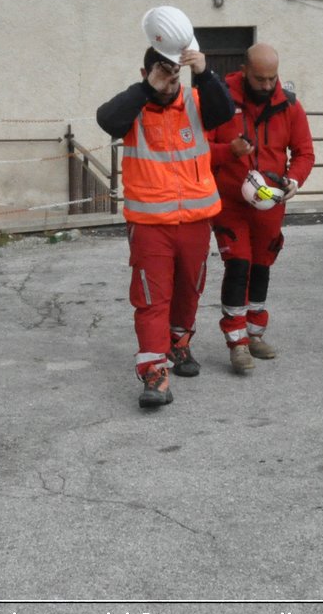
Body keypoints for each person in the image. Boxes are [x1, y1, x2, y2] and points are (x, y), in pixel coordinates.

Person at [96, 45, 234, 409]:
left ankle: (179, 342)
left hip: (196, 219)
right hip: (150, 223)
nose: (170, 84)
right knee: (152, 299)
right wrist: (147, 89)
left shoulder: (196, 100)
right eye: (161, 75)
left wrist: (203, 72)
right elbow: (107, 120)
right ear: (145, 75)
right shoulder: (134, 105)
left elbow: (225, 112)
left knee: (190, 287)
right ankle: (154, 373)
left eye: (174, 76)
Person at [208, 44, 315, 372]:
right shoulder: (221, 102)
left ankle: (255, 334)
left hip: (270, 204)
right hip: (230, 204)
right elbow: (198, 150)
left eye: (272, 78)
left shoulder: (290, 106)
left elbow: (304, 153)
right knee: (238, 266)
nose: (267, 86)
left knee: (261, 267)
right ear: (244, 71)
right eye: (260, 79)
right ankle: (237, 343)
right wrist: (229, 151)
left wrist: (293, 181)